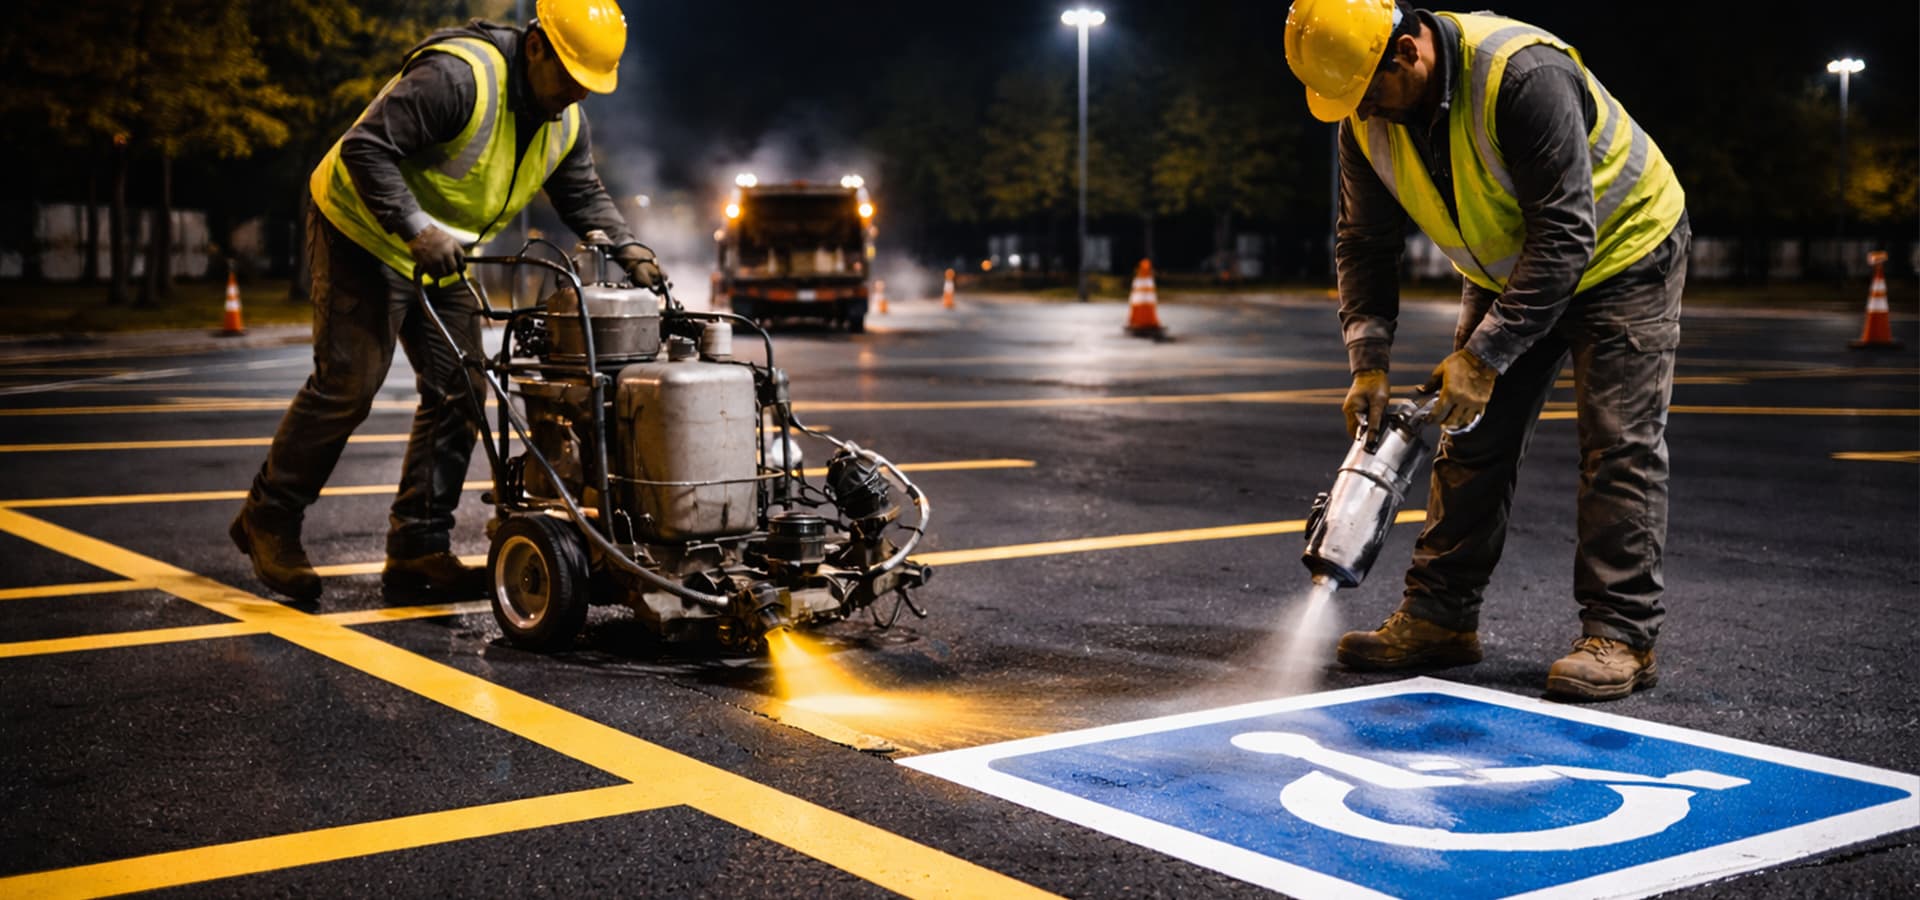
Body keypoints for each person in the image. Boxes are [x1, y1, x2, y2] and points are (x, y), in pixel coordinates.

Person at [1283, 0, 1690, 700]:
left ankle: (1621, 634)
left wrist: (1484, 355)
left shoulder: (1521, 76)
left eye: (1371, 92)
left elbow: (1566, 235)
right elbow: (1364, 243)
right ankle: (1441, 619)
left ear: (1409, 51)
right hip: (1507, 271)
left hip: (1625, 253)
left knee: (1618, 444)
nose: (1366, 113)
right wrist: (1368, 362)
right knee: (1469, 442)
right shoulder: (1362, 117)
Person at [231, 0, 665, 604]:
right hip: (361, 232)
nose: (577, 95)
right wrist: (415, 227)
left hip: (441, 257)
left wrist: (631, 249)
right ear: (536, 46)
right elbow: (365, 148)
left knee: (461, 389)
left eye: (589, 86)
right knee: (349, 384)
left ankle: (417, 550)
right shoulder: (459, 77)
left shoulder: (565, 120)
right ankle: (269, 518)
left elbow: (582, 192)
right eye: (571, 77)